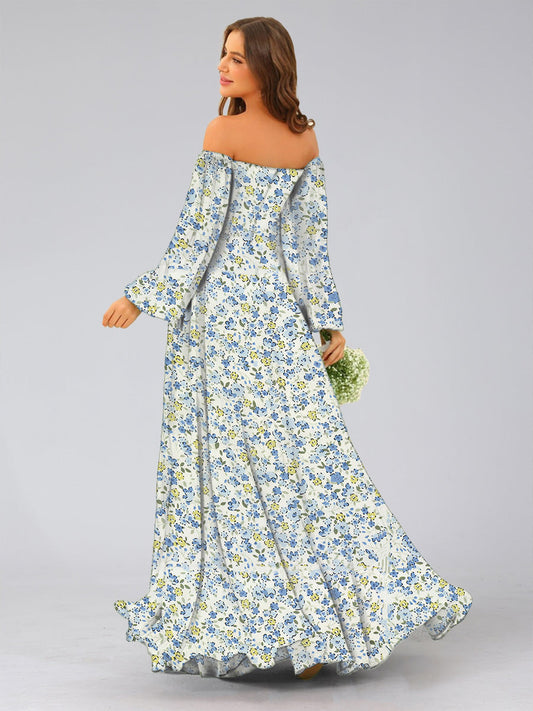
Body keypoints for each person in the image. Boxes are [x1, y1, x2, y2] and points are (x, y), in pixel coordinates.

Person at [102, 16, 472, 681]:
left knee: (231, 470)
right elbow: (308, 245)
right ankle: (316, 632)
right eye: (222, 55)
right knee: (304, 464)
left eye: (237, 58)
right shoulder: (305, 140)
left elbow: (197, 236)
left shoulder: (222, 133)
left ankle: (275, 627)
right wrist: (326, 322)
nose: (222, 66)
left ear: (267, 66)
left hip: (219, 316)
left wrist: (143, 295)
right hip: (275, 313)